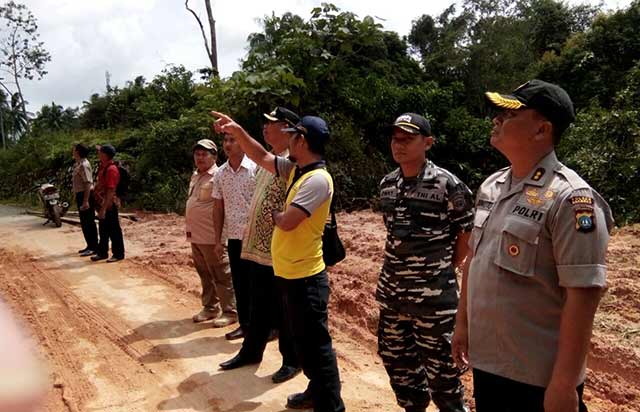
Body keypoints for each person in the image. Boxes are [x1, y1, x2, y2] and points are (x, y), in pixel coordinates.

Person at [451, 80, 614, 412]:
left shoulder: (572, 200)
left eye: (510, 114)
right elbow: (474, 259)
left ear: (542, 130)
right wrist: (463, 324)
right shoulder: (492, 186)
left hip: (536, 379)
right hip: (490, 364)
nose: (497, 119)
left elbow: (583, 295)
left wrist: (565, 384)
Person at [212, 111, 345, 412]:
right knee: (305, 344)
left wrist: (274, 215)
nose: (289, 137)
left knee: (317, 347)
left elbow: (287, 221)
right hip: (291, 272)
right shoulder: (295, 169)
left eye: (293, 134)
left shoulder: (317, 180)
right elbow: (260, 156)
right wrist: (238, 129)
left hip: (306, 277)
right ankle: (315, 391)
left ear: (303, 141)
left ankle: (331, 406)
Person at [377, 113, 473, 412]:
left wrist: (445, 267)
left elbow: (467, 233)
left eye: (408, 139)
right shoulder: (387, 184)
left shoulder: (447, 184)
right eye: (396, 138)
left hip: (434, 301)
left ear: (427, 142)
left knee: (443, 376)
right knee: (399, 368)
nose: (399, 145)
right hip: (393, 296)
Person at [218, 107, 301, 384]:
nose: (265, 128)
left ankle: (292, 360)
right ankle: (251, 351)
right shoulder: (273, 159)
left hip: (280, 251)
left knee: (284, 309)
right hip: (258, 249)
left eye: (271, 123)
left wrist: (238, 131)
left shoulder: (294, 162)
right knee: (258, 305)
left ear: (288, 128)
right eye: (263, 125)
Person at [186, 139, 237, 326]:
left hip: (212, 236)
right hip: (196, 235)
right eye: (197, 154)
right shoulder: (196, 175)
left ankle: (230, 311)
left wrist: (220, 238)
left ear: (214, 156)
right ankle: (210, 308)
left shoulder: (220, 175)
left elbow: (224, 207)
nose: (200, 157)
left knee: (221, 274)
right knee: (204, 273)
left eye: (204, 154)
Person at [212, 134, 257, 340]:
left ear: (243, 142)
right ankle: (246, 326)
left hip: (257, 238)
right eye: (226, 141)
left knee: (259, 284)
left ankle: (268, 327)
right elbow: (218, 207)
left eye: (233, 140)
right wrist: (218, 239)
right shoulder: (220, 173)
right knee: (239, 283)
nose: (228, 145)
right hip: (235, 239)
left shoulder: (257, 168)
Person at [91, 144, 125, 263]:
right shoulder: (103, 167)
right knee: (103, 228)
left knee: (114, 229)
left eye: (100, 152)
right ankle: (102, 252)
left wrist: (104, 208)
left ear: (105, 155)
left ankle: (118, 253)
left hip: (109, 204)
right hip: (103, 202)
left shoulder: (111, 170)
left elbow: (111, 190)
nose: (98, 154)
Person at [71, 143, 98, 257]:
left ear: (78, 151)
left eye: (74, 149)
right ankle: (89, 245)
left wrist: (86, 200)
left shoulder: (84, 165)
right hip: (80, 194)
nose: (72, 151)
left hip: (85, 195)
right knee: (84, 222)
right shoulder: (78, 164)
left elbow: (88, 183)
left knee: (88, 222)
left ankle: (93, 247)